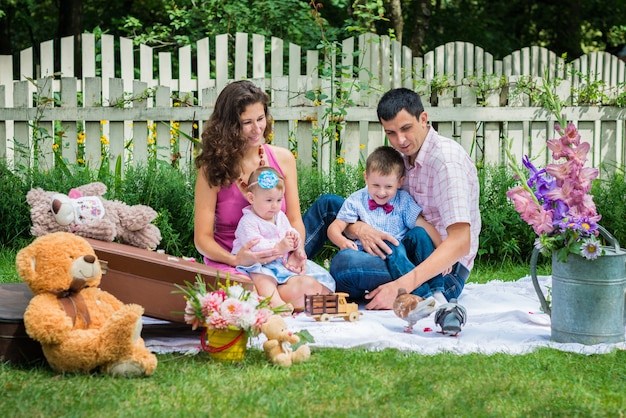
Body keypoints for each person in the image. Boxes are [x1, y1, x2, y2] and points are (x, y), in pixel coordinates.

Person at [330, 88, 481, 330]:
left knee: (343, 264)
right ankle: (285, 270)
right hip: (404, 247)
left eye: (406, 128)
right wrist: (360, 228)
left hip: (442, 271)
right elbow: (372, 201)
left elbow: (460, 242)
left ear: (423, 119)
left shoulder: (446, 162)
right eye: (391, 132)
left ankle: (435, 301)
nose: (400, 140)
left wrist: (401, 285)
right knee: (329, 204)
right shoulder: (402, 157)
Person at [194, 80, 336, 311]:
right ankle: (272, 299)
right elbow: (202, 239)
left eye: (260, 119)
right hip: (234, 262)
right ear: (228, 126)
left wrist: (294, 251)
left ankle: (272, 300)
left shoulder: (283, 159)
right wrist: (236, 260)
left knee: (315, 286)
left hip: (276, 259)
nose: (256, 129)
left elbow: (294, 221)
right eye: (246, 123)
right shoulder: (212, 168)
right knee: (242, 292)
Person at [327, 145, 448, 303]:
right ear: (366, 178)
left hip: (402, 254)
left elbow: (424, 225)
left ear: (400, 182)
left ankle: (437, 291)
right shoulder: (357, 200)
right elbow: (334, 228)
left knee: (419, 233)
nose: (381, 192)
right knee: (389, 243)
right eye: (375, 185)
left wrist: (443, 252)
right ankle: (424, 295)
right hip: (372, 257)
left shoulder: (403, 200)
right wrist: (342, 241)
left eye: (388, 187)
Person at [232, 167, 335, 311]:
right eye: (269, 200)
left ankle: (317, 293)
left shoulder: (279, 216)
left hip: (280, 263)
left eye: (279, 200)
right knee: (263, 279)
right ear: (251, 198)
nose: (275, 206)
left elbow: (289, 231)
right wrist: (279, 247)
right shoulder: (248, 221)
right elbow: (255, 246)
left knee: (318, 278)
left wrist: (295, 242)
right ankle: (275, 302)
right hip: (257, 264)